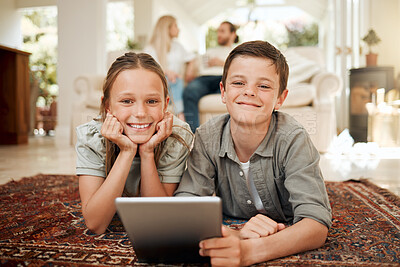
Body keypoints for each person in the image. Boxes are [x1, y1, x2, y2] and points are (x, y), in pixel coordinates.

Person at [174, 41, 332, 266]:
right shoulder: (207, 136)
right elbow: (187, 202)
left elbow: (316, 224)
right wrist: (235, 235)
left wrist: (250, 251)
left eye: (264, 86)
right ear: (223, 92)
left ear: (280, 98)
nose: (249, 91)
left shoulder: (293, 138)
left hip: (282, 217)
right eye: (238, 83)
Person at [75, 52, 193, 234]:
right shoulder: (91, 136)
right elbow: (95, 224)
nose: (139, 112)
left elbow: (158, 218)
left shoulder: (177, 136)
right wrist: (127, 151)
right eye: (127, 101)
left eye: (152, 101)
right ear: (108, 106)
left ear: (165, 104)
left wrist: (147, 153)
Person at [183, 21, 238, 132]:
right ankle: (193, 135)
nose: (219, 34)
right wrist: (191, 65)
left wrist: (222, 63)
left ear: (233, 34)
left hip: (225, 78)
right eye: (218, 31)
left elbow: (242, 70)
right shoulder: (210, 51)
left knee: (231, 94)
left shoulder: (237, 52)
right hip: (205, 79)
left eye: (222, 31)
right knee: (189, 91)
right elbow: (197, 67)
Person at [144, 15, 196, 121]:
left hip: (175, 87)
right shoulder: (150, 48)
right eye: (175, 26)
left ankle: (179, 113)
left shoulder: (178, 46)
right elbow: (146, 69)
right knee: (174, 80)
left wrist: (189, 70)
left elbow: (192, 58)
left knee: (176, 80)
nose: (178, 29)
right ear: (167, 28)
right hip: (159, 86)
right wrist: (165, 72)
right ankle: (181, 114)